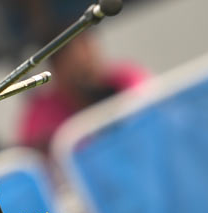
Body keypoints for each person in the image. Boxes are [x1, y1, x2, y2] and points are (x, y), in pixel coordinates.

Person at [16, 30, 148, 153]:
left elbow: (150, 116)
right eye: (81, 68)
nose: (90, 64)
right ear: (56, 67)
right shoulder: (42, 112)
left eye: (91, 53)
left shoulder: (125, 79)